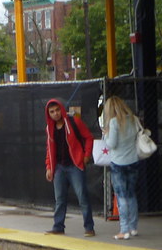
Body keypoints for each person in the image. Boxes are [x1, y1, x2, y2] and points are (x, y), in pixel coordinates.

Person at [44, 98, 95, 237]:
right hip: (59, 167)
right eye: (52, 112)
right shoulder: (50, 129)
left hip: (75, 165)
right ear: (48, 114)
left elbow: (89, 138)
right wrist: (49, 167)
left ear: (62, 109)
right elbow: (49, 149)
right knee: (59, 199)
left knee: (82, 197)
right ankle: (58, 227)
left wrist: (86, 156)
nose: (55, 114)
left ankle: (89, 227)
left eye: (57, 110)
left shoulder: (74, 122)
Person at [102, 96, 140, 240]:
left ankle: (124, 230)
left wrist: (106, 135)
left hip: (118, 163)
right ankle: (133, 227)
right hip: (133, 161)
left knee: (121, 196)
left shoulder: (113, 122)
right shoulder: (133, 119)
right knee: (131, 194)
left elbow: (112, 144)